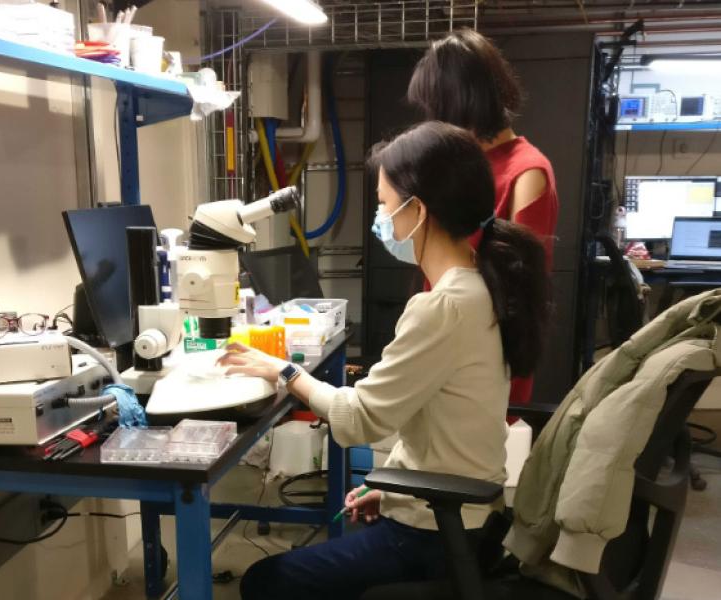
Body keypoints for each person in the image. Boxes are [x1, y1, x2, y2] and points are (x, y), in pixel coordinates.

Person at [220, 122, 551, 600]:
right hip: (466, 520)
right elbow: (454, 430)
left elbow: (358, 420)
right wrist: (397, 493)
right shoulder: (481, 287)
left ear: (418, 210)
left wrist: (284, 372)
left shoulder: (444, 306)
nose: (382, 218)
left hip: (432, 537)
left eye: (383, 204)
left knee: (265, 582)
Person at [408, 28, 559, 406]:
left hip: (486, 358)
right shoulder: (461, 164)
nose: (433, 121)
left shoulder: (527, 172)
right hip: (442, 339)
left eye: (437, 108)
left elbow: (518, 292)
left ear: (462, 102)